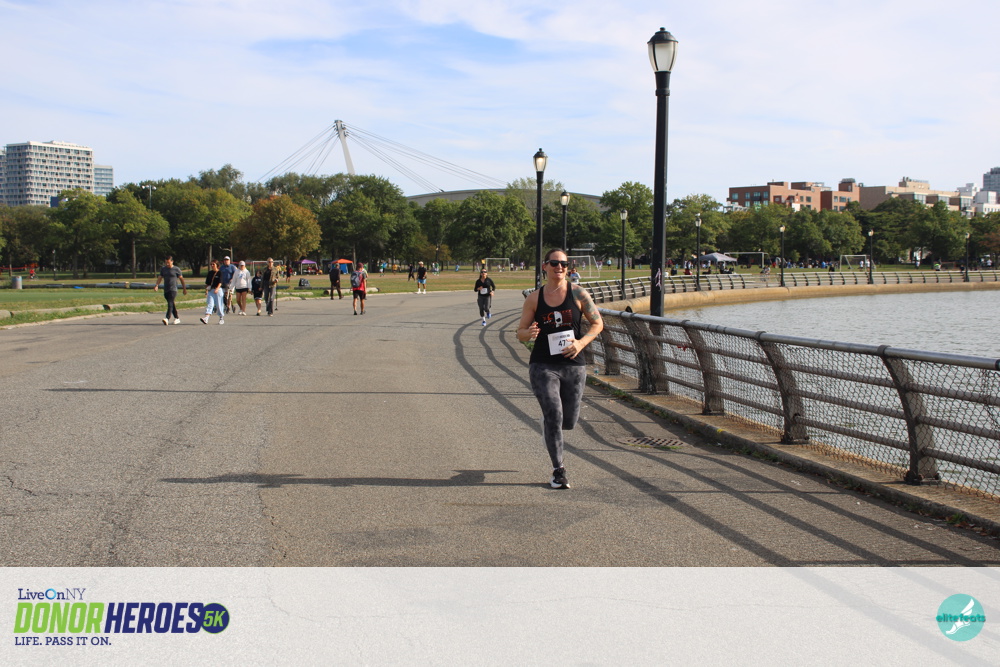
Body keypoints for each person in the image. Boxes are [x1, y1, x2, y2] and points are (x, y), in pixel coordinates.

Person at [516, 249, 603, 490]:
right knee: (554, 414)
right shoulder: (534, 298)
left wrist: (581, 343)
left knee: (569, 421)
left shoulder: (578, 293)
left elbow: (598, 323)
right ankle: (558, 471)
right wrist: (528, 334)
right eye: (554, 263)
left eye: (564, 263)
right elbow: (520, 332)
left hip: (573, 365)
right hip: (543, 364)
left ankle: (550, 424)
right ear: (545, 266)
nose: (560, 267)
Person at [153, 256, 187, 325]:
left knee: (170, 302)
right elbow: (160, 277)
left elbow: (181, 279)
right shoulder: (163, 269)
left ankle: (167, 318)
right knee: (171, 303)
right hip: (166, 289)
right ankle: (177, 318)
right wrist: (157, 285)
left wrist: (184, 288)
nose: (167, 264)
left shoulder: (176, 269)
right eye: (166, 262)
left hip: (173, 289)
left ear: (172, 261)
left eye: (168, 262)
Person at [200, 259, 225, 324]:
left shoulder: (220, 273)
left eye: (213, 264)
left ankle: (221, 318)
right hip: (211, 290)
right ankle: (206, 318)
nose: (212, 265)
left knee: (219, 305)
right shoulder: (210, 273)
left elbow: (220, 282)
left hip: (218, 291)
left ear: (217, 265)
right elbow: (207, 283)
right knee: (210, 304)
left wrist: (217, 289)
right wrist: (206, 290)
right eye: (211, 264)